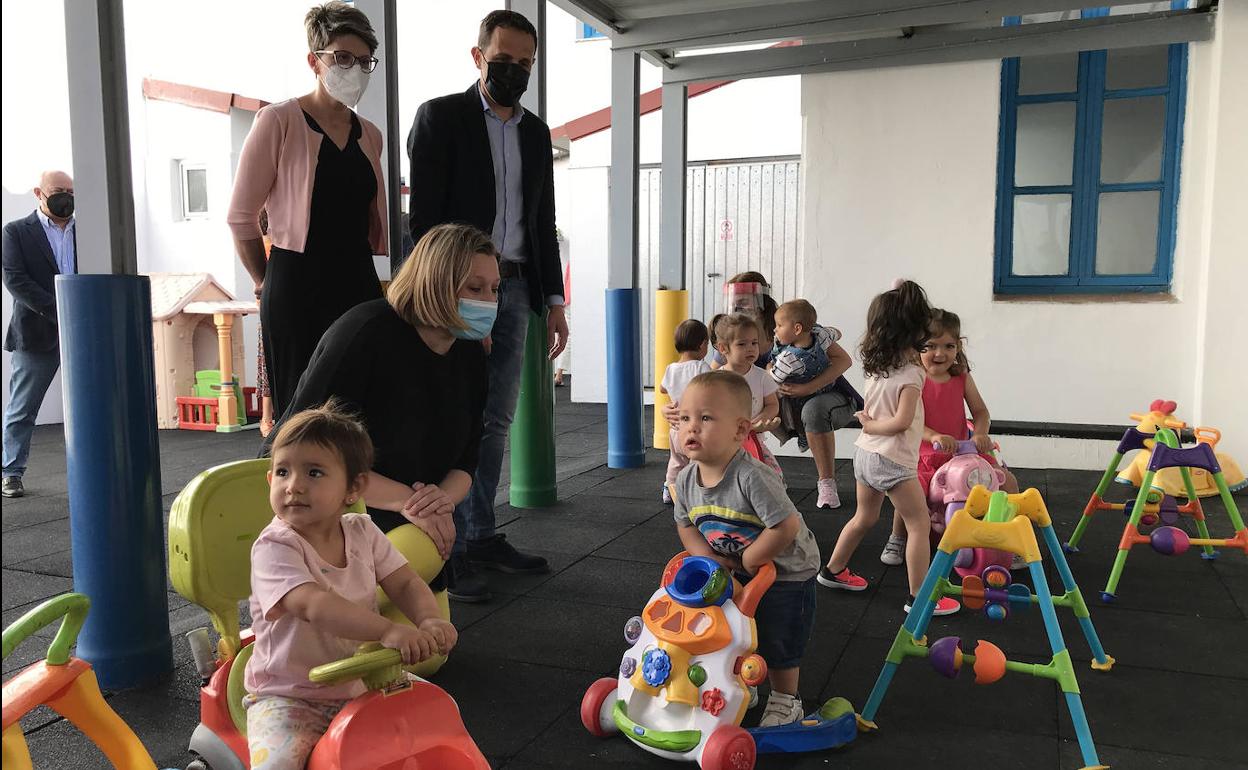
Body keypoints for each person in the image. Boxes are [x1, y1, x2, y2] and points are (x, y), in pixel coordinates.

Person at [406, 9, 567, 602]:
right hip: (456, 290)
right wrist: (439, 298)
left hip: (518, 285)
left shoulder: (534, 132)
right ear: (478, 57)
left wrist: (554, 300)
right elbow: (422, 218)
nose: (516, 71)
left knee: (496, 417)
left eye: (525, 63)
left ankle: (479, 533)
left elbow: (541, 221)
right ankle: (443, 547)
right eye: (504, 61)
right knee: (453, 415)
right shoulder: (440, 118)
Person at [272, 224, 496, 606]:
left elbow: (467, 460)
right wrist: (409, 503)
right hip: (337, 511)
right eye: (474, 289)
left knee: (429, 655)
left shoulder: (470, 354)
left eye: (494, 289)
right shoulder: (365, 333)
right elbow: (300, 454)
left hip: (415, 511)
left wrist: (436, 502)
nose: (489, 302)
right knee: (403, 616)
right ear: (435, 282)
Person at [245, 401, 456, 770]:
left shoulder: (362, 532)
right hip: (290, 696)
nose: (293, 486)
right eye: (282, 472)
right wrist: (388, 631)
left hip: (359, 681)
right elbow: (313, 604)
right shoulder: (276, 547)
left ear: (353, 488)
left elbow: (404, 582)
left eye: (313, 473)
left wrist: (429, 619)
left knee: (436, 717)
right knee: (277, 765)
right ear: (270, 480)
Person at [228, 1, 388, 419]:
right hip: (296, 282)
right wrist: (266, 283)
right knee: (301, 413)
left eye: (364, 61)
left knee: (361, 408)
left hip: (357, 281)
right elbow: (241, 217)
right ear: (314, 61)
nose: (354, 69)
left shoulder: (370, 136)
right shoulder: (277, 121)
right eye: (342, 58)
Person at [672, 370, 820, 727]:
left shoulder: (751, 477)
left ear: (740, 431)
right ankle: (742, 684)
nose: (692, 428)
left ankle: (786, 699)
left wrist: (754, 557)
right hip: (736, 566)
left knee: (778, 636)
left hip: (786, 570)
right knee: (736, 632)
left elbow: (786, 525)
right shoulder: (686, 478)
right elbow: (685, 524)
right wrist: (707, 559)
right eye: (686, 418)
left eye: (706, 418)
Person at [816, 280, 960, 617]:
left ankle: (832, 571)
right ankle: (919, 599)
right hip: (891, 458)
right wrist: (870, 423)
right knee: (918, 526)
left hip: (865, 455)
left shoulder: (877, 365)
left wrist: (869, 427)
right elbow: (900, 422)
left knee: (864, 517)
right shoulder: (912, 374)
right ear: (914, 331)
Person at [880, 309, 1021, 567]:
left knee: (1008, 482)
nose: (939, 354)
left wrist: (980, 433)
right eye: (930, 346)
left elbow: (980, 411)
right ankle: (898, 536)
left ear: (959, 347)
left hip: (963, 451)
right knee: (912, 494)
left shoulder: (961, 377)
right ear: (915, 348)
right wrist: (933, 435)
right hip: (924, 453)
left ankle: (1010, 538)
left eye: (948, 346)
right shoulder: (915, 380)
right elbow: (910, 419)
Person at [2, 171, 76, 499]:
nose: (66, 197)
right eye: (59, 191)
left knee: (96, 402)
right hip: (36, 332)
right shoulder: (16, 232)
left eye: (71, 191)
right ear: (39, 193)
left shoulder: (88, 230)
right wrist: (59, 309)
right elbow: (16, 280)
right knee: (22, 407)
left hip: (84, 331)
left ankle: (97, 468)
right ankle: (11, 472)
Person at [769, 299, 861, 510]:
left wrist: (806, 387)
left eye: (779, 326)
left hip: (826, 395)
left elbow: (772, 379)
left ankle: (826, 482)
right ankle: (770, 470)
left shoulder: (788, 358)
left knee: (811, 410)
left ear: (797, 328)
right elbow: (836, 332)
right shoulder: (820, 335)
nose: (775, 330)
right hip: (801, 397)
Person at [709, 314, 783, 477]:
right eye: (742, 344)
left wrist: (760, 419)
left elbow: (772, 404)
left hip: (753, 438)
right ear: (723, 348)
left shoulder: (762, 376)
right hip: (724, 441)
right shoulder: (716, 379)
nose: (751, 348)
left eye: (754, 343)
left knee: (773, 477)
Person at [659, 319, 711, 504]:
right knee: (698, 461)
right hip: (695, 427)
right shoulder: (701, 367)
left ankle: (669, 490)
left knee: (676, 461)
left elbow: (663, 389)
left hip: (675, 428)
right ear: (702, 345)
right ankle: (695, 494)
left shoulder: (671, 369)